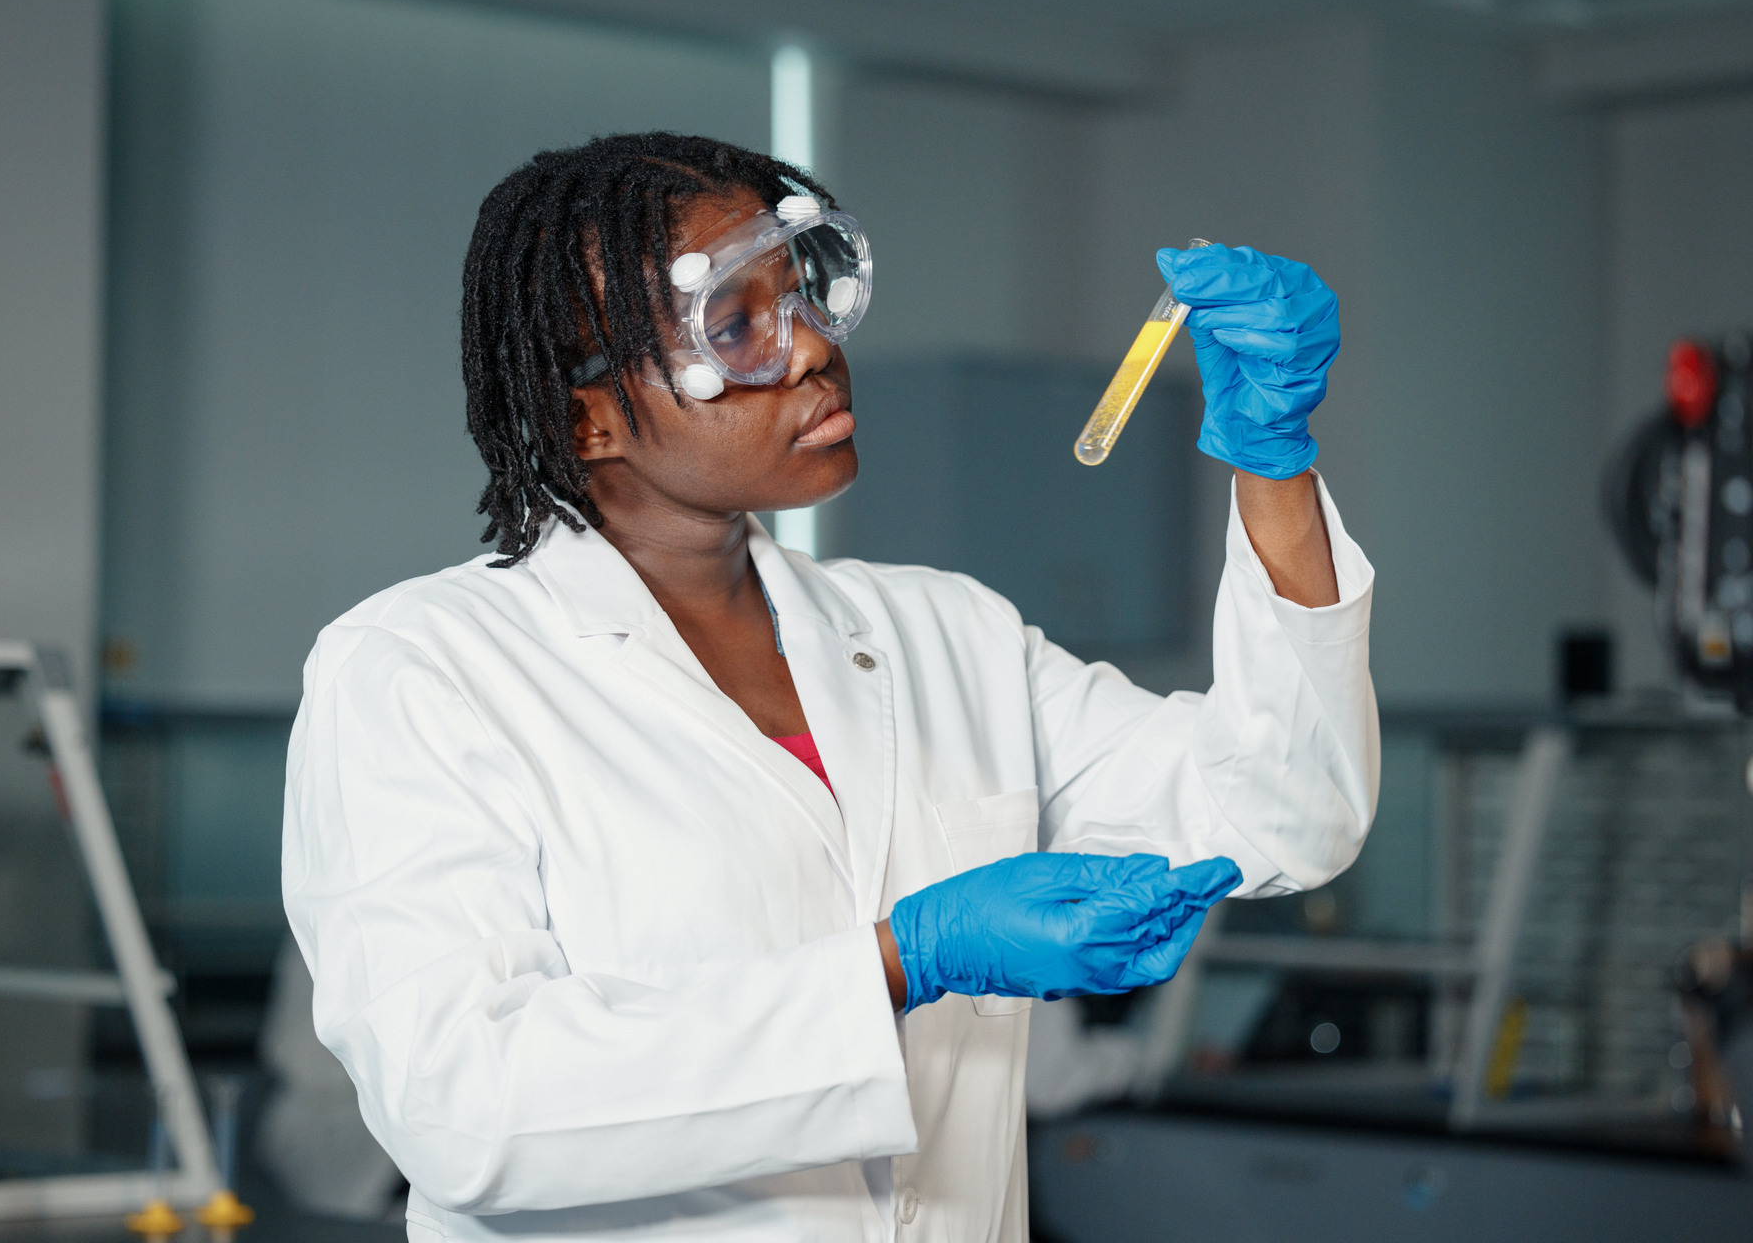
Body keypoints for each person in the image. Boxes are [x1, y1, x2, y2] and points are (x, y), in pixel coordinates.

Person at [282, 132, 1377, 1242]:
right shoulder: (424, 667)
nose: (809, 347)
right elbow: (466, 1105)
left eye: (801, 292)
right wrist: (903, 962)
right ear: (588, 419)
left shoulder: (945, 633)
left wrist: (1273, 464)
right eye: (737, 324)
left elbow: (1286, 812)